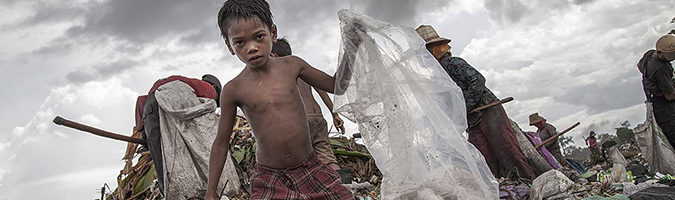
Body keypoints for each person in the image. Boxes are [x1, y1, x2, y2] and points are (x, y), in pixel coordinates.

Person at [206, 0, 354, 199]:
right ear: (230, 46)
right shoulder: (233, 90)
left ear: (273, 33)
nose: (252, 48)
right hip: (270, 176)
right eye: (240, 42)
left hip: (309, 166)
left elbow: (337, 86)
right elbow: (221, 143)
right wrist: (210, 192)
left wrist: (353, 47)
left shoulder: (292, 66)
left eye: (259, 37)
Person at [416, 25, 536, 180]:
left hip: (488, 111)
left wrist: (466, 104)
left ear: (434, 48)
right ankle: (502, 187)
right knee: (483, 157)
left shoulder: (453, 63)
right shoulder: (437, 76)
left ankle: (529, 182)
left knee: (507, 150)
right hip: (472, 120)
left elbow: (477, 79)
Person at [134, 74, 222, 194]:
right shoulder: (208, 88)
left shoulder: (174, 84)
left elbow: (141, 101)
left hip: (151, 106)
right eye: (217, 100)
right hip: (171, 102)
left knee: (160, 159)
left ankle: (168, 193)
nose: (215, 103)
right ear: (214, 87)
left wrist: (144, 133)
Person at [271, 38, 346, 170]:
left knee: (299, 161)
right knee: (327, 158)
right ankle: (341, 187)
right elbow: (322, 90)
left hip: (301, 121)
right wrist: (335, 114)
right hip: (318, 118)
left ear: (273, 56)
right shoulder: (301, 69)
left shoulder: (278, 72)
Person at [638, 34, 675, 148]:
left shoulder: (649, 54)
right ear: (659, 53)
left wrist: (650, 79)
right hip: (666, 110)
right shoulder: (659, 69)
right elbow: (670, 95)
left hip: (655, 105)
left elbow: (639, 65)